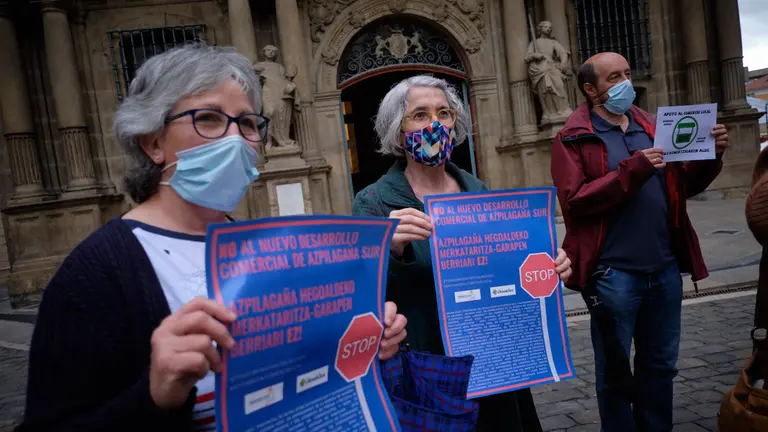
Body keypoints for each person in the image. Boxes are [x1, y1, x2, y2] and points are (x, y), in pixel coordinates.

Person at [18, 44, 408, 431]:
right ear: (153, 142)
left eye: (248, 123)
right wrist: (155, 394)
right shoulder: (95, 272)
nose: (235, 138)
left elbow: (304, 374)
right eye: (208, 118)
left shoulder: (262, 250)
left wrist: (363, 343)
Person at [352, 74, 573, 431]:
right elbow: (359, 292)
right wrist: (387, 246)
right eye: (420, 115)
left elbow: (504, 266)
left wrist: (548, 265)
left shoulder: (477, 189)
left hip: (492, 359)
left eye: (444, 113)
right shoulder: (373, 201)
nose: (435, 124)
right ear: (398, 133)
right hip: (429, 370)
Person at [550, 52, 730, 432]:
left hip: (663, 270)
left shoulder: (653, 127)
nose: (625, 83)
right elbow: (575, 200)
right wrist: (634, 169)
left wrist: (711, 157)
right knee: (616, 374)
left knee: (660, 366)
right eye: (614, 77)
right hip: (612, 274)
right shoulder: (572, 137)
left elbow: (683, 185)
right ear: (590, 89)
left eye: (627, 73)